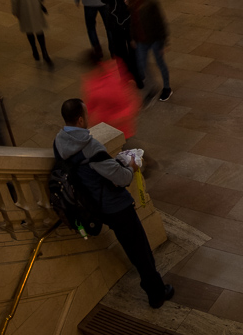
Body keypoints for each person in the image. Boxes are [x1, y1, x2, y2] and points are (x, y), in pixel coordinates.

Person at [53, 99, 174, 307]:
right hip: (114, 205)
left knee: (130, 245)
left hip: (91, 205)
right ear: (81, 119)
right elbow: (122, 178)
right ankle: (156, 293)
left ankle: (153, 286)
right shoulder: (89, 147)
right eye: (86, 113)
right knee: (140, 249)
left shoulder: (59, 142)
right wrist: (132, 167)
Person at [126, 0, 171, 101]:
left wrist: (164, 42)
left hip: (155, 39)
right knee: (141, 65)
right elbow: (133, 22)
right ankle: (153, 86)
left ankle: (167, 88)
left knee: (160, 63)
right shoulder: (132, 3)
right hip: (141, 40)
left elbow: (160, 22)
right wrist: (133, 38)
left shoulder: (150, 2)